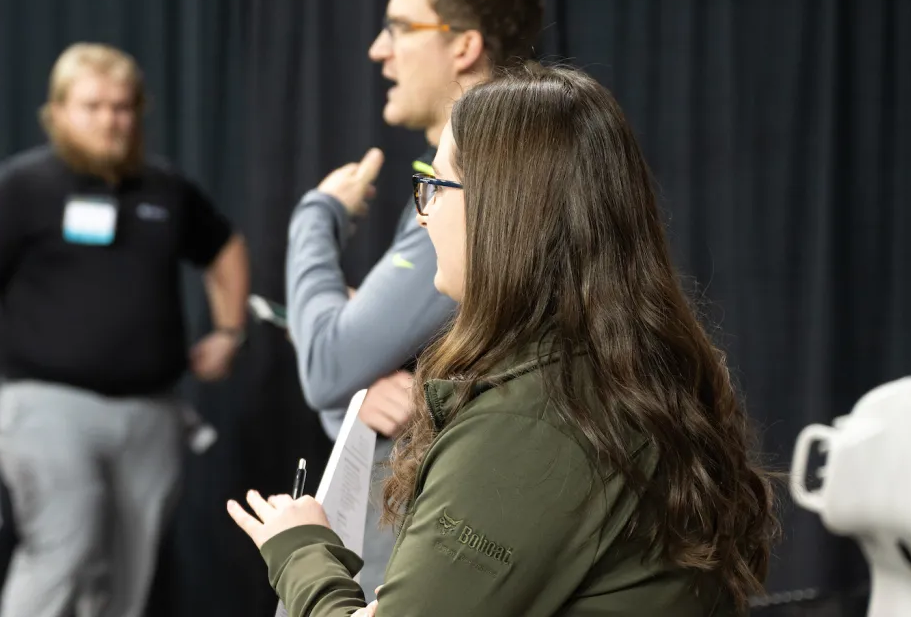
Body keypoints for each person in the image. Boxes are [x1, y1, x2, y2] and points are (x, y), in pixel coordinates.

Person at [230, 66, 778, 616]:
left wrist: (301, 551)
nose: (424, 219)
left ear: (509, 210)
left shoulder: (533, 422)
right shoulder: (624, 373)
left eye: (437, 187)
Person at [0, 42, 249, 617]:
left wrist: (229, 331)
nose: (110, 119)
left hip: (152, 413)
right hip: (47, 406)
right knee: (64, 548)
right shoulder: (20, 187)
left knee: (129, 573)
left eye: (122, 107)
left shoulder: (166, 190)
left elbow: (226, 248)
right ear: (59, 112)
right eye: (93, 106)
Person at [283, 0, 545, 596]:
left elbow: (327, 363)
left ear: (464, 44)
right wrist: (365, 385)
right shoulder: (478, 178)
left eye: (400, 27)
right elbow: (351, 378)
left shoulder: (484, 187)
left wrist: (314, 217)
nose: (379, 48)